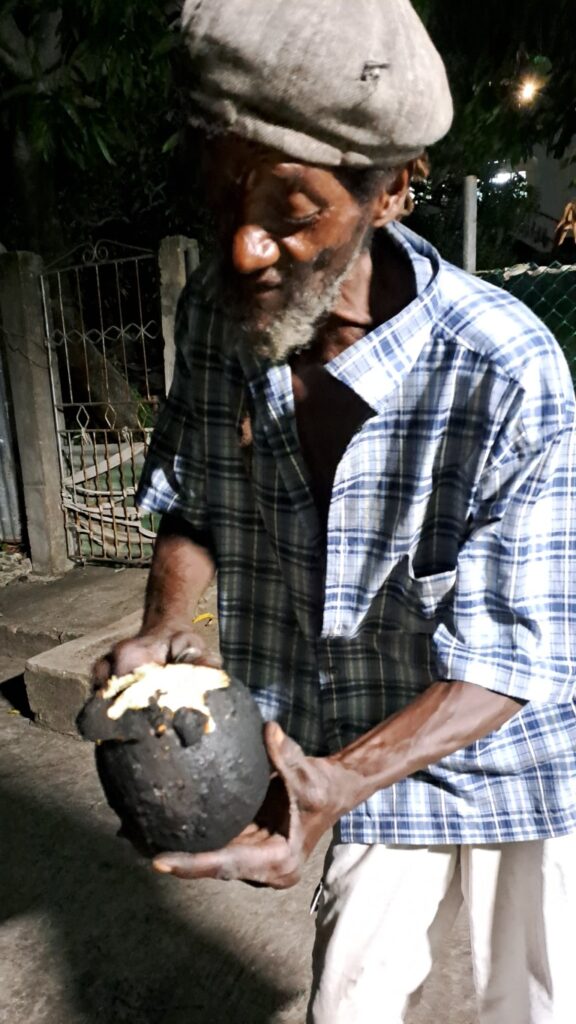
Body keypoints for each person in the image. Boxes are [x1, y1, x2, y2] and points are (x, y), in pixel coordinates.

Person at [93, 1, 576, 1021]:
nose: (245, 247)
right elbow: (190, 499)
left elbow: (507, 659)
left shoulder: (502, 367)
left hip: (503, 776)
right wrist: (162, 629)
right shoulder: (218, 318)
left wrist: (323, 785)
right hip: (342, 765)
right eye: (219, 193)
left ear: (393, 189)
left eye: (291, 207)